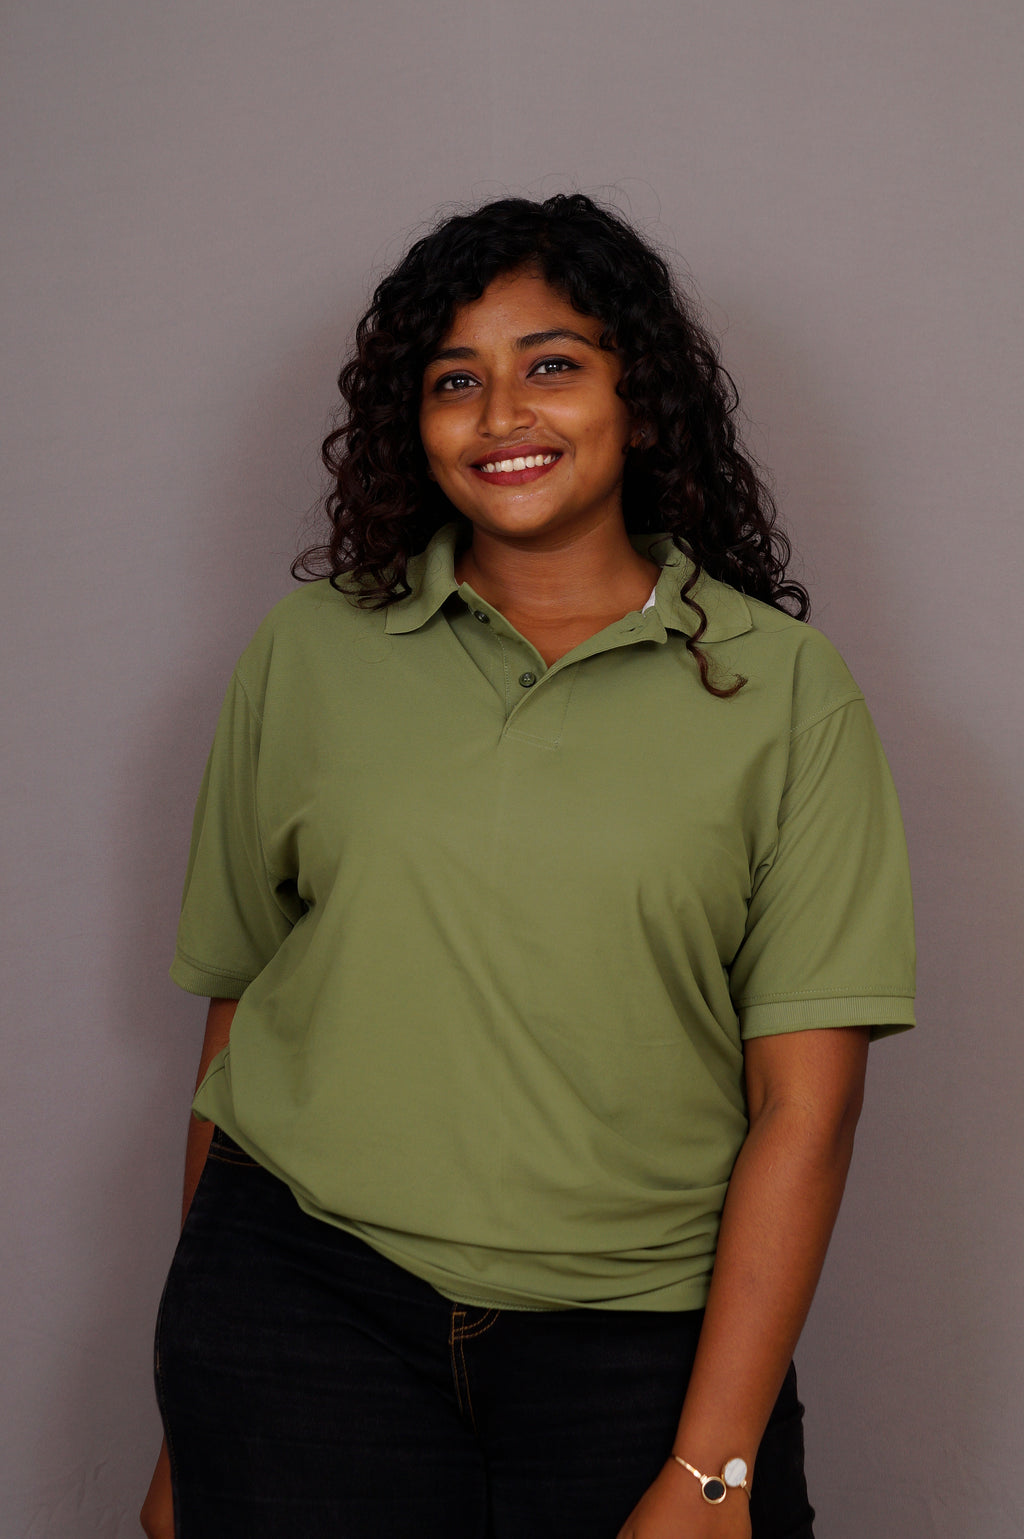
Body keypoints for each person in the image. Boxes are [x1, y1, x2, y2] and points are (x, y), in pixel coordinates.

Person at [141, 193, 915, 1539]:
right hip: (301, 1308)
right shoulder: (311, 651)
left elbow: (809, 1109)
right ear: (415, 424)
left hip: (635, 1345)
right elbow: (241, 1018)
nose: (502, 412)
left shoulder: (790, 695)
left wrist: (714, 1469)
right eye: (456, 380)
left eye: (550, 363)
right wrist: (194, 1410)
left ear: (644, 398)